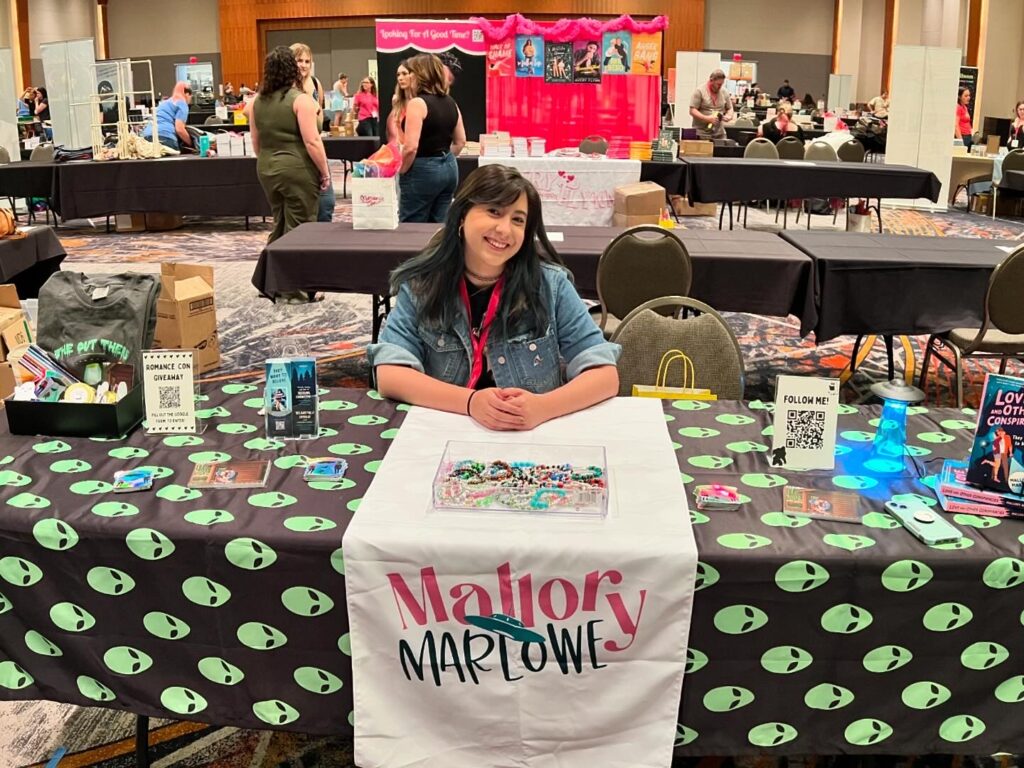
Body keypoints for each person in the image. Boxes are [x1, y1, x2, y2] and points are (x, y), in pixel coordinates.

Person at [368, 164, 620, 431]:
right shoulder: (423, 285)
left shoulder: (551, 285)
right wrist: (470, 403)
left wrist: (543, 407)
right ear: (463, 215)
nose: (504, 229)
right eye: (494, 212)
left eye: (518, 220)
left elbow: (605, 375)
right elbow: (390, 373)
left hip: (532, 444)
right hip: (446, 435)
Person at [249, 45, 330, 303]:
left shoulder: (256, 102)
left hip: (267, 168)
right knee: (301, 226)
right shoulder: (301, 100)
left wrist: (270, 161)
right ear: (292, 69)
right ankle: (295, 290)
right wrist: (325, 172)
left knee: (280, 223)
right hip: (296, 169)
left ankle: (267, 282)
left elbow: (256, 142)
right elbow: (313, 142)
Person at [399, 53, 467, 223]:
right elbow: (461, 142)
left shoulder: (417, 103)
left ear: (420, 75)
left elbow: (410, 147)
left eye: (411, 72)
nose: (409, 77)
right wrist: (442, 159)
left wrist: (402, 170)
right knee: (440, 224)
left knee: (412, 224)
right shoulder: (451, 102)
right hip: (450, 168)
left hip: (422, 169)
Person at [142, 81, 193, 151]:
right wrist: (191, 143)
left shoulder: (164, 103)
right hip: (165, 137)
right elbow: (180, 129)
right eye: (191, 97)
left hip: (146, 136)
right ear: (187, 94)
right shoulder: (182, 104)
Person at [689, 69, 734, 140]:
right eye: (718, 84)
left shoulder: (724, 92)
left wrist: (729, 115)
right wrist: (706, 118)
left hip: (719, 133)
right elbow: (692, 110)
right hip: (701, 133)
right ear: (711, 81)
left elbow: (730, 108)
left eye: (721, 84)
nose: (720, 87)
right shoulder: (699, 91)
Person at [387, 60, 413, 144]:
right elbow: (392, 132)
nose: (400, 78)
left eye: (404, 74)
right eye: (398, 75)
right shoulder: (396, 100)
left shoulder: (421, 101)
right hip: (398, 146)